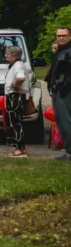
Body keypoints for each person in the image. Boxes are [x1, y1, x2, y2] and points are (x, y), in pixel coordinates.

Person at [45, 26, 71, 160]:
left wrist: (64, 87)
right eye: (59, 35)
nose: (61, 38)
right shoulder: (59, 51)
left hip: (65, 92)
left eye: (64, 35)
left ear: (69, 37)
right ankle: (68, 151)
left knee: (66, 122)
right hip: (57, 91)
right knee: (61, 122)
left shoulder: (69, 51)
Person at [3, 44, 31, 158]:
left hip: (16, 96)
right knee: (14, 121)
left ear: (14, 55)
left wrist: (15, 85)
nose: (6, 55)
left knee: (16, 121)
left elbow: (20, 77)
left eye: (8, 54)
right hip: (14, 95)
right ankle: (19, 146)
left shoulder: (18, 65)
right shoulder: (15, 65)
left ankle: (20, 148)